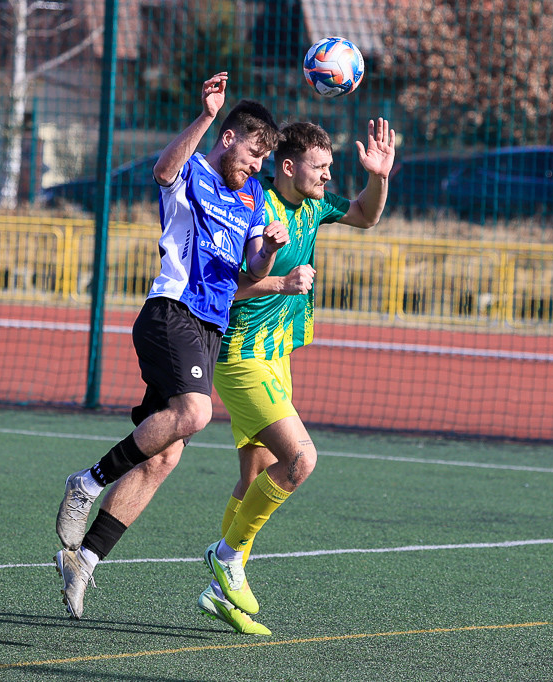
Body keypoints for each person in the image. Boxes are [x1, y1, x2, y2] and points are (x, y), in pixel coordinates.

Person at [54, 73, 288, 620]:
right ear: (229, 139)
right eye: (254, 153)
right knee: (196, 412)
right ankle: (86, 483)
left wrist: (271, 252)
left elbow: (252, 265)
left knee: (165, 456)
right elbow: (163, 170)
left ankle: (85, 559)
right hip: (170, 312)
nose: (258, 166)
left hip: (209, 329)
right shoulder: (194, 174)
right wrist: (206, 115)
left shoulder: (254, 197)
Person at [197, 118, 396, 635]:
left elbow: (365, 216)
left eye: (332, 169)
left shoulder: (313, 205)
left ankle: (222, 593)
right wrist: (281, 281)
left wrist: (378, 176)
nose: (329, 178)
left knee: (253, 476)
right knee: (301, 459)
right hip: (241, 355)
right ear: (288, 167)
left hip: (277, 355)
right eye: (320, 168)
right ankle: (228, 558)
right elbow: (224, 288)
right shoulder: (250, 205)